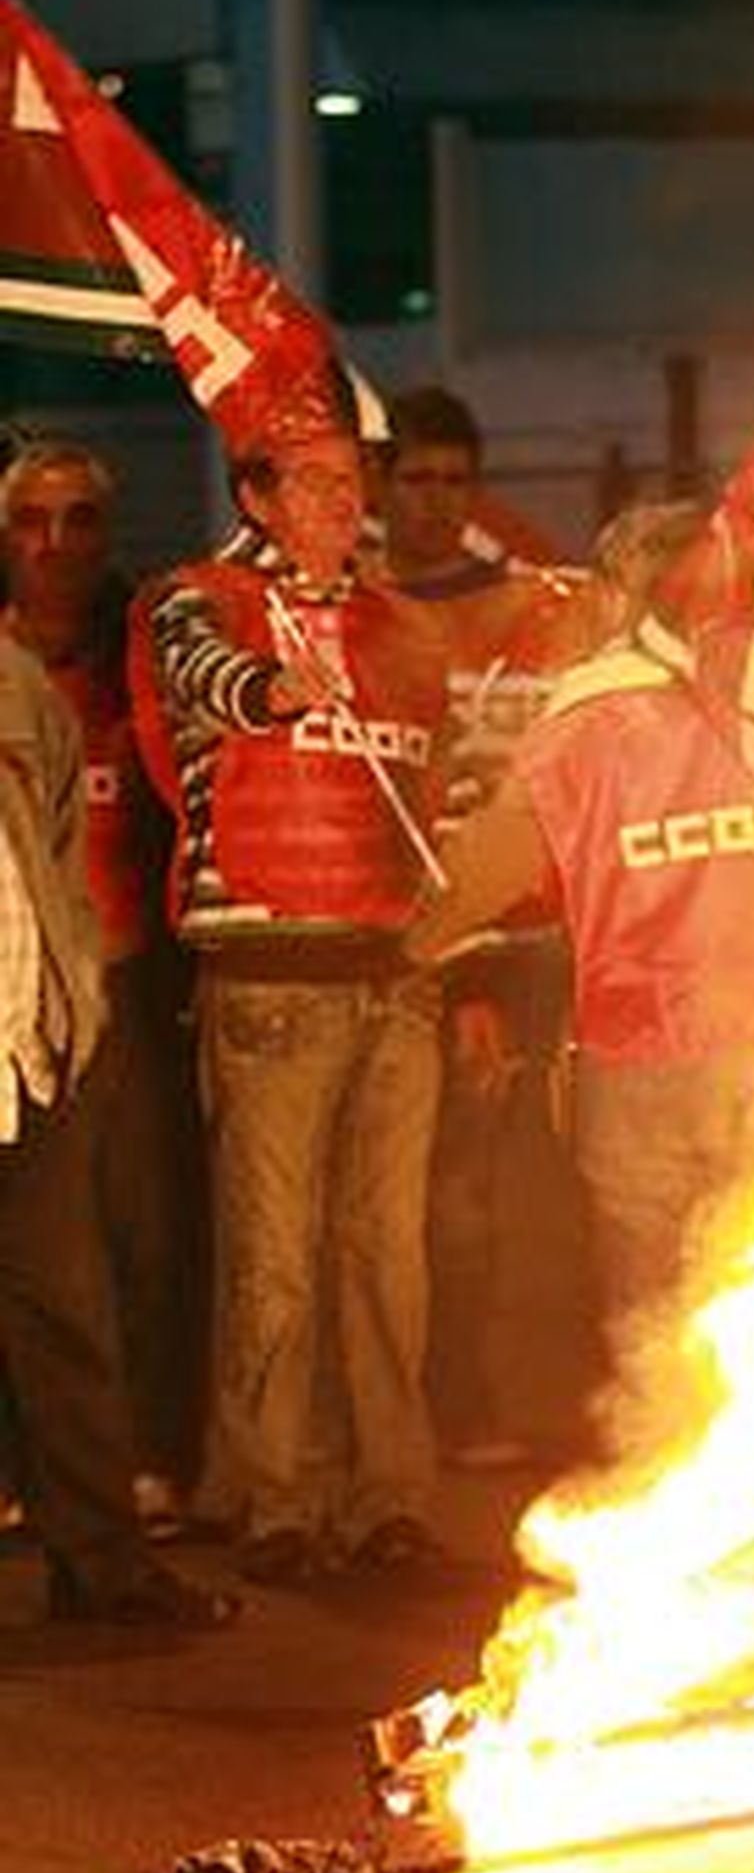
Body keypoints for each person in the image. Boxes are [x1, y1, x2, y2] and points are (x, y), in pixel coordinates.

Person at [404, 499, 754, 1446]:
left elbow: (489, 872)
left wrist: (410, 941)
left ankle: (673, 1505)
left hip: (643, 1054)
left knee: (652, 1319)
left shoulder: (588, 720)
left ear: (618, 593)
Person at [133, 381, 452, 1585]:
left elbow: (439, 792)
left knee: (389, 1253)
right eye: (314, 479)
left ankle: (386, 1498)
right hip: (269, 973)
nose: (346, 500)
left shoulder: (400, 627)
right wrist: (276, 687)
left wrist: (451, 945)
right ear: (254, 494)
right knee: (273, 1250)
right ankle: (275, 1498)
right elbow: (204, 680)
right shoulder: (195, 603)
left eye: (350, 478)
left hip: (392, 973)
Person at [372, 385, 600, 1476]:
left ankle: (487, 1397)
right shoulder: (355, 610)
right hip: (404, 928)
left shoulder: (525, 606)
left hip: (524, 933)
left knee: (502, 1187)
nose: (435, 501)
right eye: (416, 478)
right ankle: (416, 1404)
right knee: (414, 1193)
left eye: (455, 481)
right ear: (383, 484)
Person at [0, 619, 234, 1627]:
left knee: (64, 1310)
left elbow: (59, 852)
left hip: (27, 1050)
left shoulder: (15, 686)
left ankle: (103, 1567)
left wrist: (75, 997)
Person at [1, 441, 204, 1540]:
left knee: (146, 1236)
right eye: (33, 521)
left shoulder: (143, 655)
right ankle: (31, 1474)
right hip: (8, 1002)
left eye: (79, 519)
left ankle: (152, 1466)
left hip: (120, 985)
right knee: (37, 1263)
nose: (55, 544)